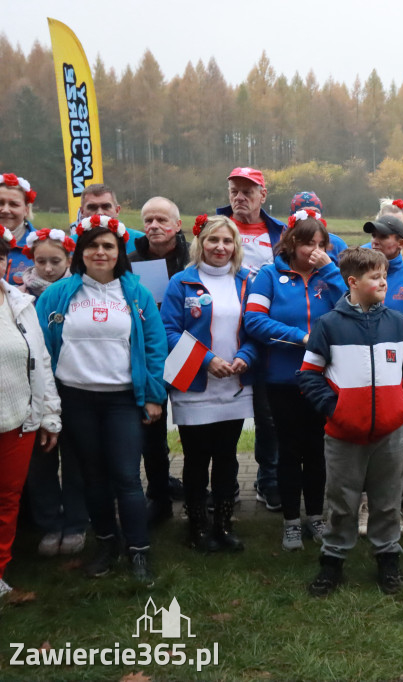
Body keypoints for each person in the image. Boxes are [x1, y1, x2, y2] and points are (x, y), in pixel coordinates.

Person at [36, 215, 167, 584]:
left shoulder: (137, 294)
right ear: (80, 251)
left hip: (122, 400)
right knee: (92, 478)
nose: (100, 252)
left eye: (108, 245)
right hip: (75, 399)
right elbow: (41, 348)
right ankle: (107, 545)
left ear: (119, 252)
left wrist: (153, 396)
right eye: (92, 245)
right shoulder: (58, 294)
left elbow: (155, 346)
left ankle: (139, 550)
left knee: (126, 476)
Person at [300, 248, 403, 597]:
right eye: (375, 277)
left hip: (391, 432)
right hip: (344, 433)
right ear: (353, 282)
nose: (384, 282)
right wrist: (336, 409)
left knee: (387, 500)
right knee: (342, 501)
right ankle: (332, 560)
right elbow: (309, 374)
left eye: (385, 275)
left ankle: (388, 558)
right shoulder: (329, 325)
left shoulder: (399, 323)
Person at [244, 209, 346, 551]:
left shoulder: (329, 275)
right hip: (282, 379)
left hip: (322, 379)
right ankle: (290, 522)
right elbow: (254, 321)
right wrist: (301, 337)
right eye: (307, 243)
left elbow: (350, 310)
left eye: (320, 244)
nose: (314, 250)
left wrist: (330, 270)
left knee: (317, 450)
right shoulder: (269, 276)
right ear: (291, 243)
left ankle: (315, 516)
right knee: (287, 450)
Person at [163, 215, 258, 553]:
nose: (220, 247)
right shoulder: (181, 282)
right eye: (213, 240)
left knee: (227, 457)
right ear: (200, 243)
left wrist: (245, 355)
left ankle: (223, 524)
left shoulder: (247, 281)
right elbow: (169, 331)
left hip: (234, 384)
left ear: (236, 246)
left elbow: (256, 328)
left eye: (227, 241)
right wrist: (207, 360)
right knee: (196, 459)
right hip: (193, 383)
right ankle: (197, 526)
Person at [216, 167, 285, 512]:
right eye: (234, 191)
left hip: (266, 335)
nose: (240, 197)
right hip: (224, 334)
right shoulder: (215, 229)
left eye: (248, 191)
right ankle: (224, 485)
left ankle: (268, 480)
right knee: (222, 419)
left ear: (263, 195)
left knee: (269, 416)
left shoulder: (280, 233)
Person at [0, 234, 61, 597]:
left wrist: (49, 414)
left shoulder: (20, 304)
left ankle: (0, 575)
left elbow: (41, 361)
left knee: (7, 500)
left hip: (18, 420)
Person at [17, 228, 83, 557]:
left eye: (55, 261)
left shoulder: (79, 292)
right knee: (40, 457)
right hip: (35, 389)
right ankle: (49, 522)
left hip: (72, 385)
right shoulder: (18, 296)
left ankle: (75, 521)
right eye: (40, 261)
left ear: (69, 260)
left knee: (75, 457)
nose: (47, 268)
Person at [129, 196, 190, 525]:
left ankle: (198, 492)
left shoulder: (193, 257)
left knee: (196, 429)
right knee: (151, 431)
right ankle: (159, 495)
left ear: (177, 225)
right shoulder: (130, 261)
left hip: (188, 351)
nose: (153, 226)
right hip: (149, 355)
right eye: (148, 220)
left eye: (161, 220)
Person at [363, 215, 403, 348]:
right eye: (374, 236)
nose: (375, 241)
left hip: (399, 355)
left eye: (383, 236)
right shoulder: (361, 274)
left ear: (401, 244)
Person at [74, 184, 146, 256]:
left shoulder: (142, 241)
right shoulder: (71, 245)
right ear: (82, 212)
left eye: (106, 207)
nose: (100, 213)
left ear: (117, 210)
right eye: (92, 207)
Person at [1, 172, 40, 286]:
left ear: (26, 210)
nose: (5, 210)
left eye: (14, 204)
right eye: (0, 203)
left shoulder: (42, 244)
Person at [290, 192, 348, 264]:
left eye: (315, 212)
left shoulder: (337, 244)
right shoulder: (284, 241)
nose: (310, 216)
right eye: (304, 212)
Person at [19, 229, 73, 297]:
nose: (48, 269)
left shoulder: (79, 289)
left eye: (55, 262)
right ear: (34, 260)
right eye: (41, 262)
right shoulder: (22, 293)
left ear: (69, 261)